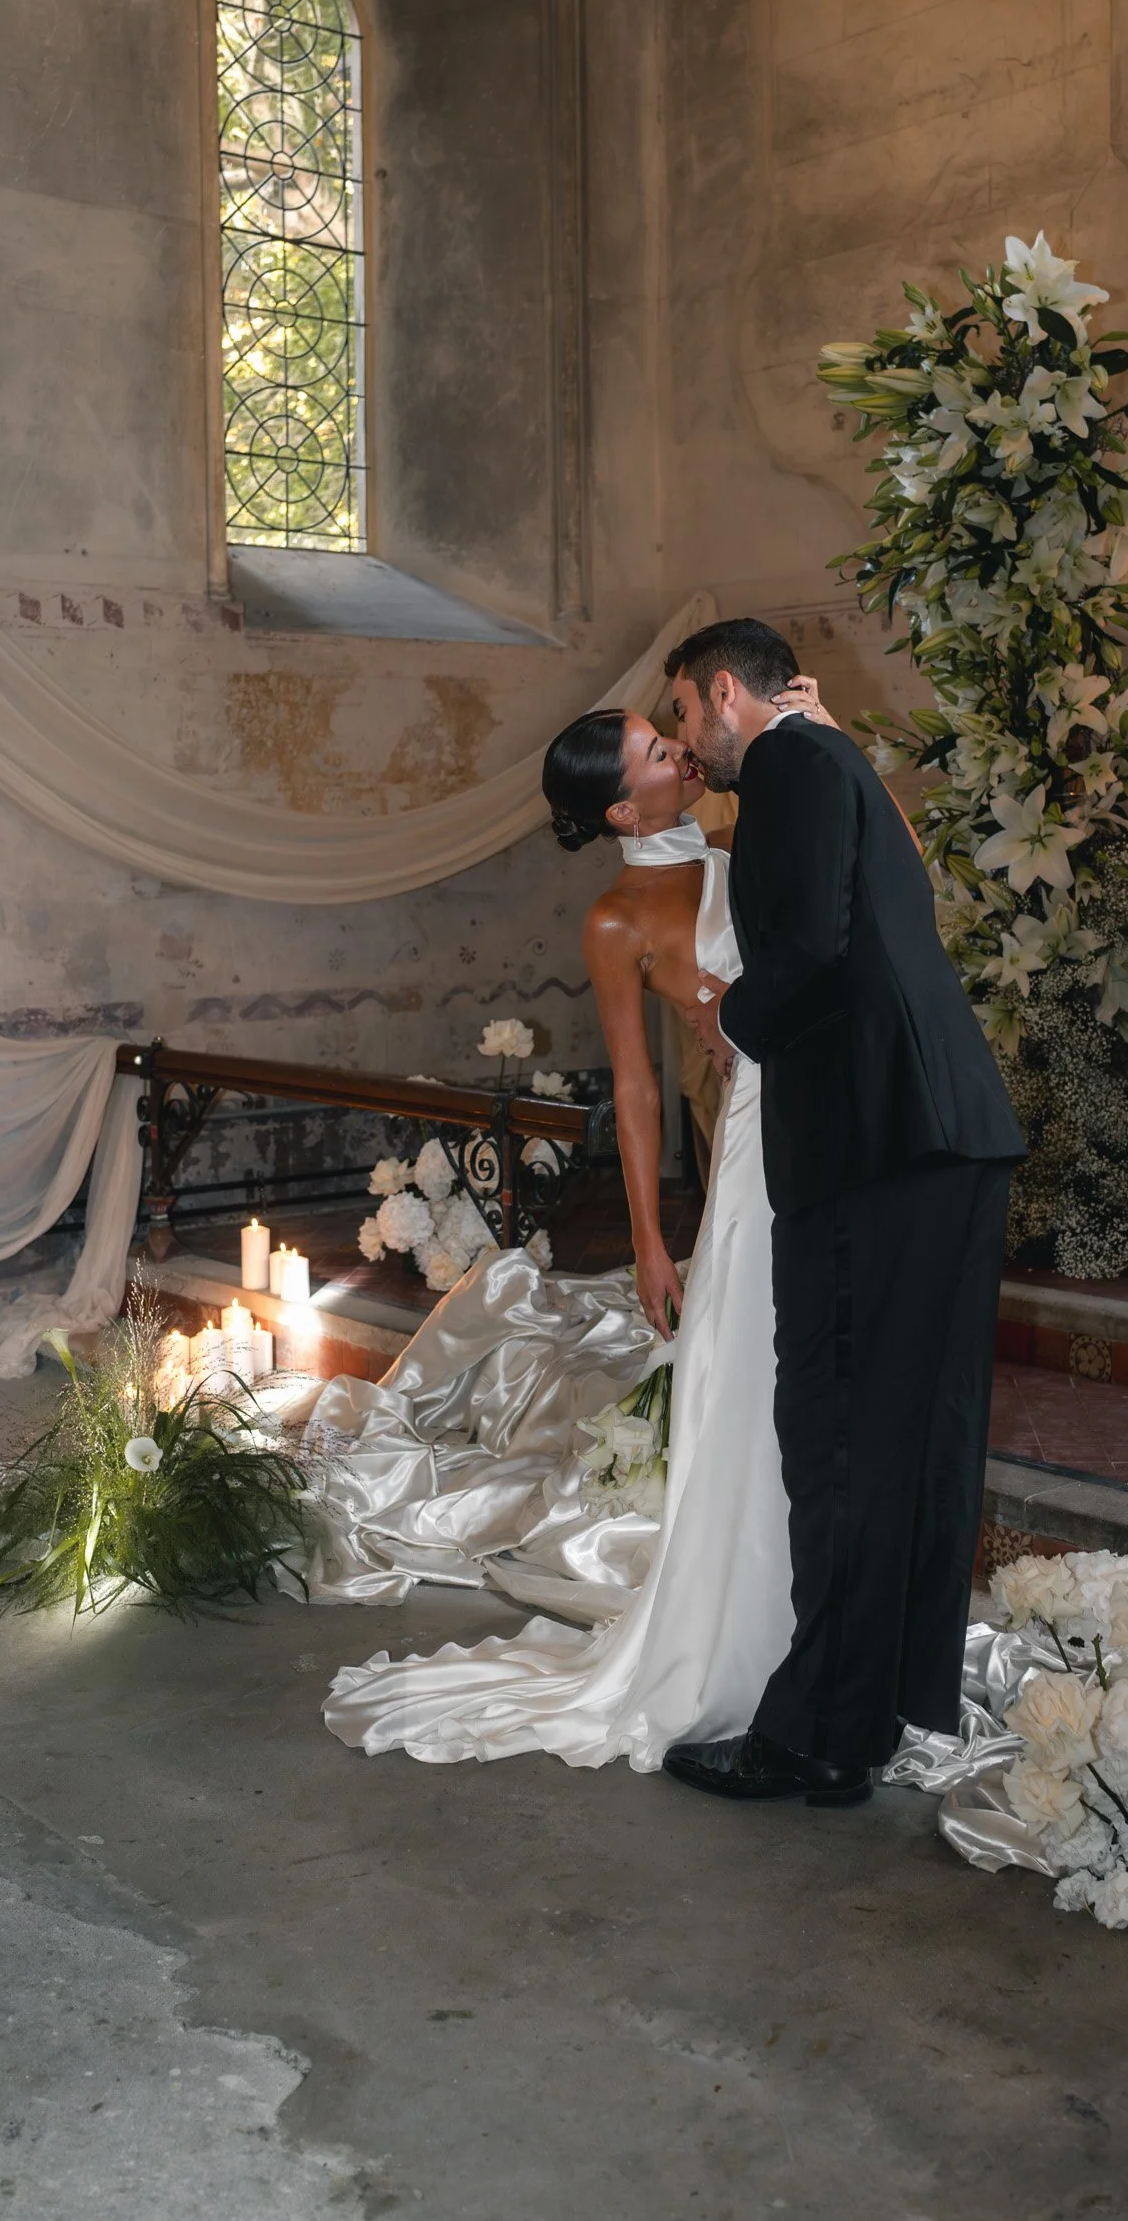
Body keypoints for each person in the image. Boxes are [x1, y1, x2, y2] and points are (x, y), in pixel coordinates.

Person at [321, 682, 828, 1772]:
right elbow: (638, 1090)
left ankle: (819, 1610)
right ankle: (736, 1634)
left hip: (826, 1133)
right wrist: (651, 1239)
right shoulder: (619, 919)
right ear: (618, 808)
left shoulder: (750, 832)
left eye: (671, 736)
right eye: (656, 750)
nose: (680, 753)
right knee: (742, 1384)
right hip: (750, 1151)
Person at [661, 617, 1024, 1807]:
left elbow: (810, 947)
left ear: (723, 694)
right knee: (885, 1445)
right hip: (926, 1140)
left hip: (880, 1144)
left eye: (679, 715)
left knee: (839, 1442)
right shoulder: (829, 759)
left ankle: (814, 1729)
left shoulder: (788, 765)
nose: (683, 742)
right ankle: (848, 1728)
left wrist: (733, 1023)